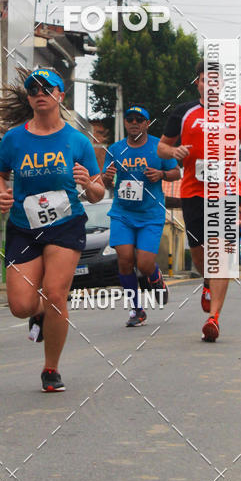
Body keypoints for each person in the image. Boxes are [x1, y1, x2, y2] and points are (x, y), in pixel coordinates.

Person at [0, 68, 104, 392]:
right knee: (20, 306)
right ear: (29, 98)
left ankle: (51, 369)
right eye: (33, 89)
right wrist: (1, 190)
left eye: (47, 88)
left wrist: (87, 184)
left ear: (60, 96)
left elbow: (98, 191)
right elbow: (0, 174)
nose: (40, 93)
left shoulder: (77, 141)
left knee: (56, 294)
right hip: (23, 227)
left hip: (65, 225)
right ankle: (39, 312)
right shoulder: (14, 139)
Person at [158, 59, 241, 342]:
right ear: (198, 83)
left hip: (227, 190)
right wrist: (175, 151)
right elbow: (162, 147)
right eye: (205, 80)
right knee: (201, 253)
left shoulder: (236, 112)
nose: (210, 85)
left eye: (215, 81)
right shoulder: (184, 112)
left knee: (223, 253)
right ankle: (206, 281)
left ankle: (213, 317)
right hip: (193, 190)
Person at [102, 105, 180, 327]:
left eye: (139, 119)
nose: (134, 123)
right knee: (125, 260)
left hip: (150, 214)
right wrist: (107, 177)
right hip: (122, 213)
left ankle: (156, 279)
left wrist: (161, 174)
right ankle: (137, 310)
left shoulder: (159, 147)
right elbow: (106, 181)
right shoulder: (115, 150)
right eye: (130, 119)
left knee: (145, 264)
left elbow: (177, 172)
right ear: (125, 123)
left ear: (147, 124)